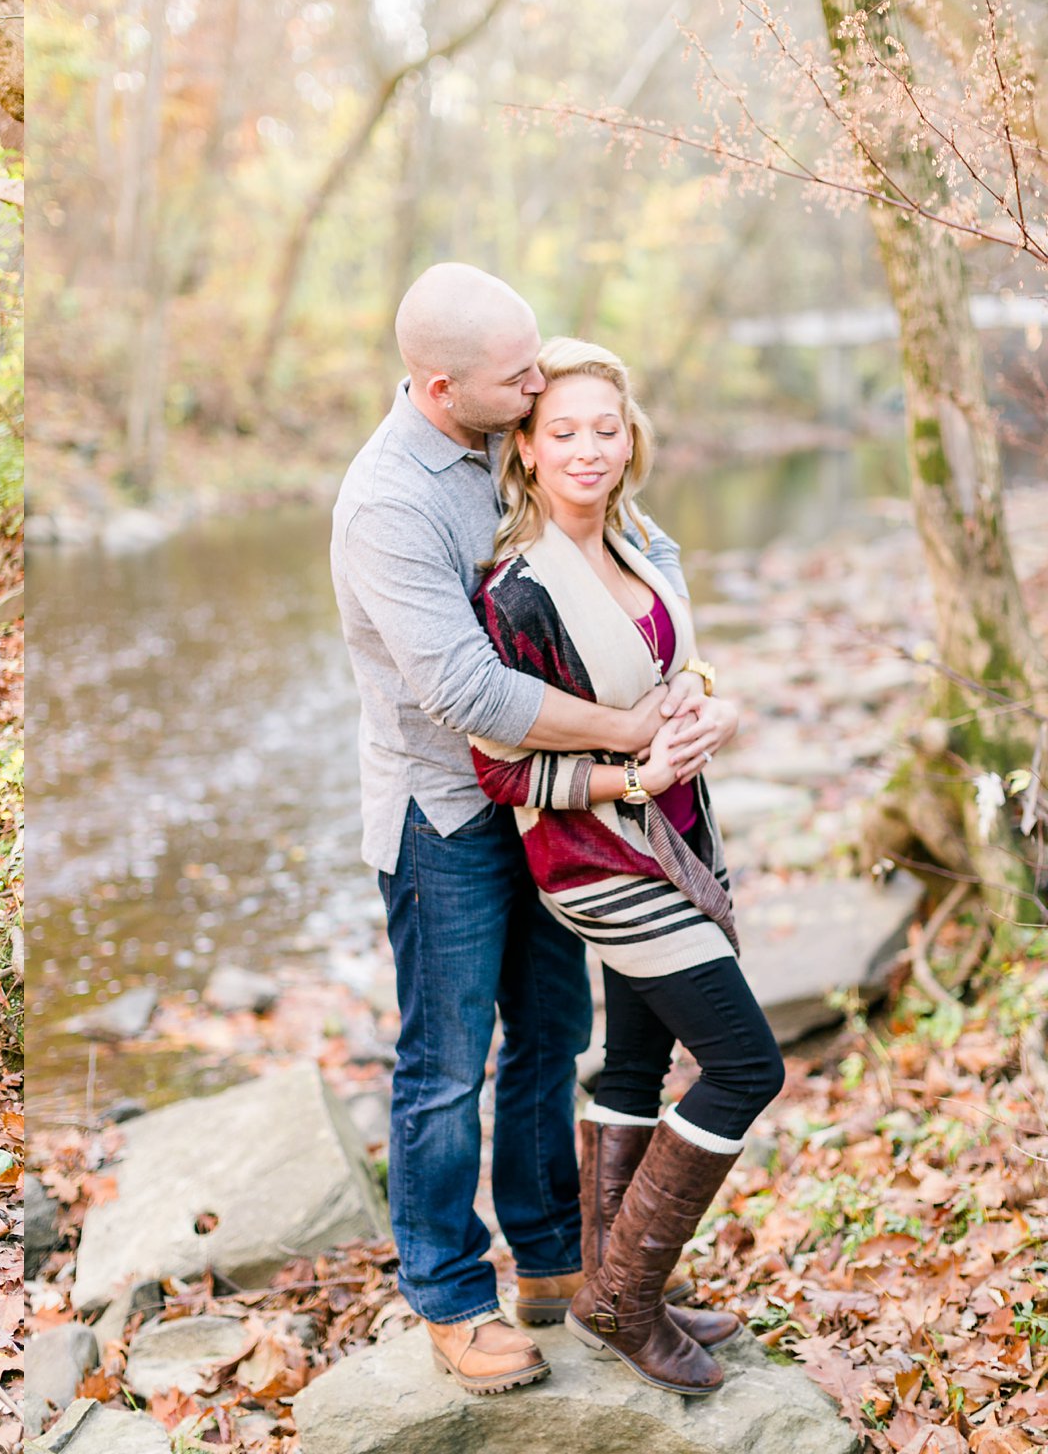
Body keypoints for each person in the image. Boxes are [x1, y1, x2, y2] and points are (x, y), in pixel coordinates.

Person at [330, 263, 740, 1395]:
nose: (534, 388)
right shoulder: (387, 503)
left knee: (549, 1039)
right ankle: (451, 1299)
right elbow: (472, 695)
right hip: (445, 813)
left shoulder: (504, 443)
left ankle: (558, 1265)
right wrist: (625, 735)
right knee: (442, 1064)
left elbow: (632, 558)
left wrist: (690, 684)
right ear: (439, 382)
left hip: (548, 807)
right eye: (517, 378)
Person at [468, 337, 783, 1396]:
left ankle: (617, 1279)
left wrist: (712, 708)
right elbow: (502, 771)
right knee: (746, 1066)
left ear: (629, 435)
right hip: (600, 859)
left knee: (637, 1065)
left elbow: (669, 673)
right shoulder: (517, 593)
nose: (587, 448)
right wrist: (633, 780)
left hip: (674, 837)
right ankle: (618, 1299)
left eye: (605, 427)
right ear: (523, 446)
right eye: (562, 431)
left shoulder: (635, 544)